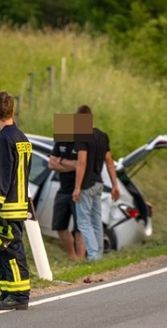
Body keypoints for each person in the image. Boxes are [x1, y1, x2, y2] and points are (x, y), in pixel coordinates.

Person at [0, 91, 32, 311]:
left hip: (7, 206)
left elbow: (2, 174)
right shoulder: (23, 138)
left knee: (10, 250)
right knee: (3, 250)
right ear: (12, 110)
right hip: (19, 202)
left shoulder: (4, 139)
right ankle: (8, 291)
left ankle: (19, 295)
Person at [71, 106, 121, 262]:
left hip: (86, 185)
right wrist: (115, 185)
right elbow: (110, 162)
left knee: (83, 222)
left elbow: (82, 162)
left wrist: (77, 187)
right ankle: (98, 254)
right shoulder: (102, 136)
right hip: (99, 183)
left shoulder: (81, 136)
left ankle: (93, 256)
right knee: (96, 221)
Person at [47, 113, 82, 260]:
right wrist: (70, 165)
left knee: (80, 227)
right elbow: (51, 163)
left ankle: (81, 258)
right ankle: (72, 256)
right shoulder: (60, 142)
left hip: (78, 190)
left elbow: (80, 164)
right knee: (59, 225)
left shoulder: (80, 143)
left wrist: (61, 162)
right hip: (63, 190)